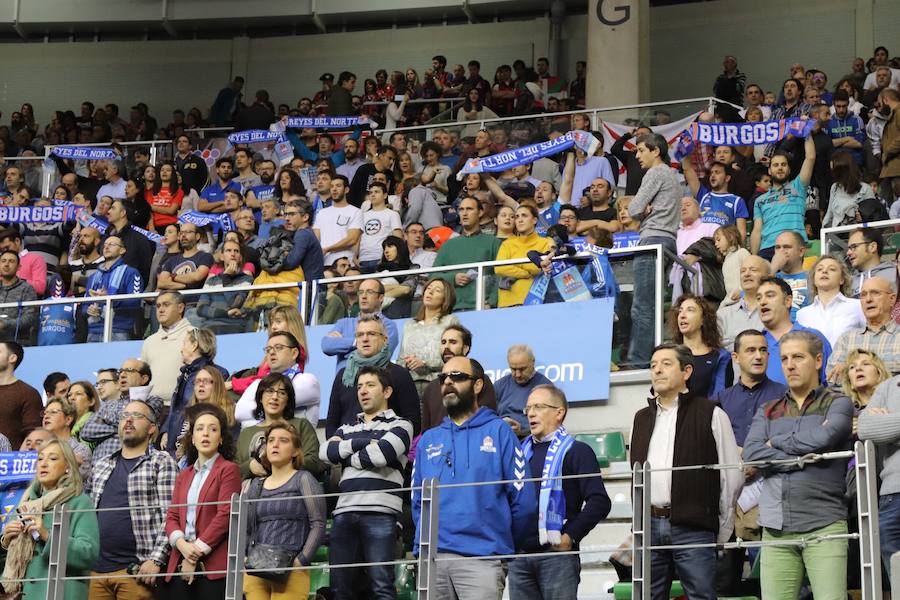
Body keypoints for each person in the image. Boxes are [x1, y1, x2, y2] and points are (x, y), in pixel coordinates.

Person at [412, 356, 537, 600]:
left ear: (477, 385)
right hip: (432, 561)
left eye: (457, 376)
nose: (447, 382)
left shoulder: (500, 431)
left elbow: (524, 501)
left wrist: (498, 543)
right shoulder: (428, 439)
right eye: (443, 378)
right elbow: (418, 502)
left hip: (483, 559)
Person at [744, 331, 854, 600]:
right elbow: (753, 453)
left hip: (824, 524)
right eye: (784, 358)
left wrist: (777, 441)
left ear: (818, 361)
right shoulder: (768, 409)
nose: (790, 365)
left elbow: (827, 436)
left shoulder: (838, 402)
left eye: (798, 357)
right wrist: (803, 457)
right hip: (776, 530)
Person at [629, 343, 742, 600]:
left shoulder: (711, 413)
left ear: (687, 371)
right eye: (653, 365)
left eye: (666, 364)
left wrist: (721, 529)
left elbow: (731, 476)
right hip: (649, 525)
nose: (657, 370)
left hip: (694, 526)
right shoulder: (640, 419)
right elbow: (635, 476)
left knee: (701, 595)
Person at [508, 384, 611, 600]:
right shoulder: (518, 451)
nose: (531, 413)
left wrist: (570, 536)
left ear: (559, 412)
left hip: (556, 557)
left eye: (538, 407)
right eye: (528, 408)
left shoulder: (577, 451)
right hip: (520, 557)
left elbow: (599, 501)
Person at [321, 366, 414, 600]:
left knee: (381, 586)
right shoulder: (346, 427)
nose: (363, 391)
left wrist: (346, 452)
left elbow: (381, 455)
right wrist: (366, 442)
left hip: (381, 513)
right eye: (360, 386)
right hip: (344, 512)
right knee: (339, 589)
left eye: (370, 385)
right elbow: (325, 453)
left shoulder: (402, 425)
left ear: (387, 391)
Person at [89, 400, 178, 600]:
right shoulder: (102, 464)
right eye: (124, 416)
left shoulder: (162, 462)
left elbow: (171, 515)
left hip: (136, 571)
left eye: (137, 416)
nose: (128, 420)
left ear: (152, 428)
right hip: (96, 571)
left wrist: (156, 560)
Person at [0, 436, 99, 600]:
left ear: (68, 466)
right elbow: (6, 559)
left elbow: (88, 554)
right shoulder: (25, 502)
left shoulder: (79, 502)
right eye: (40, 459)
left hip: (59, 594)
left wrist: (47, 535)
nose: (44, 463)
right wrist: (4, 541)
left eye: (52, 458)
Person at [163, 404, 241, 600]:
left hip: (212, 566)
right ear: (192, 438)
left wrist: (194, 552)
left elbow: (225, 515)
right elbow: (172, 516)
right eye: (199, 428)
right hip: (179, 560)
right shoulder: (184, 474)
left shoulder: (228, 469)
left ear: (221, 438)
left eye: (213, 429)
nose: (205, 434)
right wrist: (182, 546)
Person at [243, 421, 326, 600]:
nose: (275, 444)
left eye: (283, 440)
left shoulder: (304, 479)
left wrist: (301, 560)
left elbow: (318, 523)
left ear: (296, 451)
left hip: (291, 569)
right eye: (271, 440)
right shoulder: (256, 485)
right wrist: (245, 556)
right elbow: (248, 528)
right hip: (257, 569)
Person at [626, 133, 682, 367]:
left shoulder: (656, 172)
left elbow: (632, 209)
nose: (637, 155)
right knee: (652, 302)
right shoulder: (673, 175)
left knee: (642, 305)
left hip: (652, 239)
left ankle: (638, 360)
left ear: (656, 151)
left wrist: (641, 210)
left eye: (641, 150)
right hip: (668, 240)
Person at [325, 315, 420, 437]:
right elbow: (332, 423)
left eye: (371, 334)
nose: (365, 339)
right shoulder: (343, 376)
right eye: (360, 335)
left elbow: (413, 422)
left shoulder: (399, 374)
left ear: (385, 340)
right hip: (346, 450)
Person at [236, 373, 322, 480]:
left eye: (281, 393)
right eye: (269, 391)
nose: (275, 397)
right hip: (252, 493)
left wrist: (280, 463)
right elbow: (234, 471)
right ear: (261, 398)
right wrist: (249, 467)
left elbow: (314, 462)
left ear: (288, 400)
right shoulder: (246, 433)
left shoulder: (301, 425)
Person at [712, 330, 788, 448]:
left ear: (768, 356)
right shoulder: (721, 399)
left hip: (772, 463)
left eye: (763, 350)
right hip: (732, 464)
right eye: (751, 350)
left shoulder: (785, 395)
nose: (758, 356)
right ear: (735, 357)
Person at [80, 358, 164, 462]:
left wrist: (106, 420)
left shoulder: (153, 400)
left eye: (129, 370)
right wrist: (122, 428)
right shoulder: (109, 404)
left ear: (144, 379)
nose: (122, 375)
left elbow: (139, 423)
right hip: (100, 468)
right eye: (121, 371)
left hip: (134, 465)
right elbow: (86, 431)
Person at [751, 132, 817, 260]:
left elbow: (810, 157)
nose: (780, 168)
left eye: (783, 165)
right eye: (775, 165)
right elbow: (757, 230)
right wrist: (754, 258)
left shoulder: (798, 186)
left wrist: (806, 131)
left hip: (793, 246)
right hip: (767, 250)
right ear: (769, 171)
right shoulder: (759, 200)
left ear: (789, 169)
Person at [421, 324, 498, 432]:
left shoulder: (478, 380)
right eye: (443, 342)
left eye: (453, 342)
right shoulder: (431, 387)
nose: (446, 347)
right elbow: (425, 430)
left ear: (466, 348)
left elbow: (489, 422)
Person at [235, 332, 321, 427]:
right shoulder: (257, 383)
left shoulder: (308, 380)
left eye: (278, 347)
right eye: (268, 350)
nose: (272, 352)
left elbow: (281, 402)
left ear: (294, 353)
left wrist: (254, 418)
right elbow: (239, 412)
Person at [163, 328, 229, 453]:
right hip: (175, 446)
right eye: (198, 382)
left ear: (194, 345)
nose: (181, 349)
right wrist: (166, 430)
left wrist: (186, 441)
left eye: (184, 343)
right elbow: (176, 408)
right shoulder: (184, 375)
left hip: (194, 447)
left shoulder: (217, 373)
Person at [757, 276, 832, 385]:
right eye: (758, 298)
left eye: (770, 296)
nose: (762, 302)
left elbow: (830, 384)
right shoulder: (755, 343)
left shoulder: (813, 337)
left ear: (788, 301)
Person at [433, 197, 503, 310]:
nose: (464, 213)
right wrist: (453, 278)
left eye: (469, 209)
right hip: (451, 310)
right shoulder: (447, 246)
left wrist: (491, 302)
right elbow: (432, 276)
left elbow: (501, 275)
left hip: (482, 308)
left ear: (480, 212)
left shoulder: (493, 242)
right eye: (461, 209)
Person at [828, 275, 900, 379]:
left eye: (875, 293)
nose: (868, 299)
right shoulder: (846, 338)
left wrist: (851, 366)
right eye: (863, 295)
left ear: (892, 299)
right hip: (852, 395)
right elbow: (833, 376)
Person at [397, 278, 460, 397]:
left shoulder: (450, 321)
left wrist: (425, 363)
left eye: (437, 290)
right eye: (428, 289)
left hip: (437, 384)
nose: (430, 292)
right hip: (410, 386)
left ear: (445, 298)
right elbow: (401, 359)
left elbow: (454, 359)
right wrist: (407, 363)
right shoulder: (409, 325)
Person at [322, 278, 400, 370]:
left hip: (373, 380)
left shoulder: (389, 325)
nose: (363, 296)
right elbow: (326, 345)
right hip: (343, 382)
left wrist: (343, 345)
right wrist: (355, 342)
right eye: (361, 292)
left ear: (381, 297)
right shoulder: (344, 323)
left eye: (369, 292)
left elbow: (381, 356)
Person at [796, 254, 865, 348]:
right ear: (814, 279)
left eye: (832, 269)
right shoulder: (802, 314)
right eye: (819, 269)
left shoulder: (857, 306)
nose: (824, 271)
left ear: (841, 279)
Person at [669, 293, 730, 397]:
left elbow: (720, 397)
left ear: (703, 319)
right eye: (680, 311)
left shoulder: (721, 356)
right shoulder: (669, 354)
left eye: (690, 310)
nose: (682, 315)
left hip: (707, 412)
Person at [494, 205, 553, 308]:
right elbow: (499, 268)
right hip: (507, 302)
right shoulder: (507, 244)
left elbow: (538, 269)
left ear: (534, 220)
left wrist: (514, 264)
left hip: (535, 300)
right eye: (517, 217)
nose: (520, 220)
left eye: (524, 216)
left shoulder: (545, 242)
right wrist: (526, 273)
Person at [141, 291, 194, 402]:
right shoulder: (149, 341)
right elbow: (143, 378)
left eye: (166, 305)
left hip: (183, 407)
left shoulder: (194, 335)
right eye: (158, 306)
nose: (160, 310)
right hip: (152, 408)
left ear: (180, 308)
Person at [494, 344, 553, 439]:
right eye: (513, 369)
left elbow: (549, 424)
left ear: (532, 362)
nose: (517, 374)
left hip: (532, 441)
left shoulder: (545, 388)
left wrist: (522, 430)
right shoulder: (499, 385)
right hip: (502, 439)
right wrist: (501, 423)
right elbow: (488, 418)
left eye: (522, 369)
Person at [0, 341, 42, 449]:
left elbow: (32, 434)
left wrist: (16, 462)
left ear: (12, 358)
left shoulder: (28, 393)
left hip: (8, 461)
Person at [314, 175, 363, 267]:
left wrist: (327, 249)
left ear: (346, 190)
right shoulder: (321, 213)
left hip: (346, 263)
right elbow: (316, 239)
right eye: (332, 186)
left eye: (338, 186)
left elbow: (352, 239)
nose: (334, 189)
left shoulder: (355, 211)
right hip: (324, 263)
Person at [41, 397, 93, 483]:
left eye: (53, 412)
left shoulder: (81, 450)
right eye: (45, 413)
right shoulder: (40, 448)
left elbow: (76, 481)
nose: (46, 416)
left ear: (68, 419)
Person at [156, 222, 214, 293]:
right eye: (181, 233)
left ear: (197, 236)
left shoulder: (205, 256)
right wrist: (184, 286)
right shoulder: (171, 260)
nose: (183, 235)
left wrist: (173, 276)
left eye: (188, 232)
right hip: (174, 301)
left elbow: (197, 276)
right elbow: (161, 283)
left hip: (194, 301)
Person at [0, 250, 38, 343]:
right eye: (3, 261)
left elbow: (29, 319)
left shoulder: (27, 289)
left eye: (11, 261)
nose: (6, 264)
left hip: (17, 344)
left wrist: (4, 324)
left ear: (18, 267)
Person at [772, 231, 810, 319]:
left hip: (804, 330)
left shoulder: (813, 277)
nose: (781, 251)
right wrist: (773, 268)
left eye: (786, 247)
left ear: (801, 251)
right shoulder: (771, 277)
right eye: (777, 247)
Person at [846, 228, 895, 297]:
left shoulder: (896, 273)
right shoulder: (848, 283)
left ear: (872, 247)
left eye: (854, 246)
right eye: (848, 248)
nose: (848, 253)